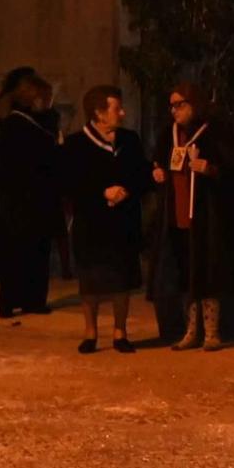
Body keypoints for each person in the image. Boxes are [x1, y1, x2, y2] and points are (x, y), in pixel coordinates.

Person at [62, 84, 154, 353]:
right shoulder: (77, 144)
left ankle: (120, 332)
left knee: (122, 279)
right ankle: (90, 333)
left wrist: (132, 188)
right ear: (99, 113)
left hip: (123, 223)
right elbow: (70, 183)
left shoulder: (129, 140)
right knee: (90, 281)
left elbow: (141, 173)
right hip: (92, 224)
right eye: (116, 108)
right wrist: (102, 191)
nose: (122, 113)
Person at [150, 82, 234, 351]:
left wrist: (210, 168)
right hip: (177, 214)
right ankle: (191, 330)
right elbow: (158, 161)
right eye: (172, 105)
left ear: (194, 104)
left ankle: (212, 332)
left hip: (206, 216)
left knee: (207, 271)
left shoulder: (215, 132)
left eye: (181, 104)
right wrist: (158, 172)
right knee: (185, 273)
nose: (175, 110)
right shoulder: (169, 133)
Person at [0, 70, 62, 319]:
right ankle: (27, 298)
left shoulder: (15, 123)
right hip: (28, 196)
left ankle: (16, 299)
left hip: (21, 196)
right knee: (28, 249)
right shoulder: (22, 125)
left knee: (21, 250)